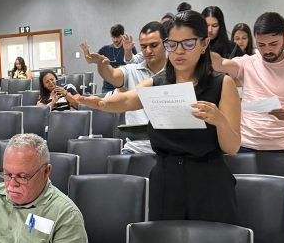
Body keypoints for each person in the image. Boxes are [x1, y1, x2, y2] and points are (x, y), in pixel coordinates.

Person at [83, 11, 241, 223]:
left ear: (204, 44)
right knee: (165, 241)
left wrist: (219, 121)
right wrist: (101, 103)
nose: (179, 51)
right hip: (167, 182)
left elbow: (232, 147)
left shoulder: (222, 84)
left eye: (188, 44)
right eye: (172, 45)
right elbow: (127, 100)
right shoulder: (158, 83)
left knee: (210, 242)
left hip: (209, 182)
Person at [212, 11, 284, 157]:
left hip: (281, 146)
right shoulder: (248, 63)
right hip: (245, 143)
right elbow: (219, 64)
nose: (267, 50)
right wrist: (201, 43)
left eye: (273, 44)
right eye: (261, 45)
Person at [80, 21, 167, 154]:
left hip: (168, 149)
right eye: (144, 47)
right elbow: (113, 75)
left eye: (154, 45)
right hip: (135, 148)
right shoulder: (132, 70)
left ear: (166, 44)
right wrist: (101, 64)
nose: (148, 51)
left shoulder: (177, 72)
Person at [97, 24, 136, 92]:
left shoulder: (129, 49)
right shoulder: (105, 49)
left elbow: (135, 66)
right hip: (107, 88)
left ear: (122, 36)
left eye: (117, 37)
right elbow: (92, 59)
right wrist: (86, 53)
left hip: (124, 88)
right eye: (113, 37)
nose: (115, 40)